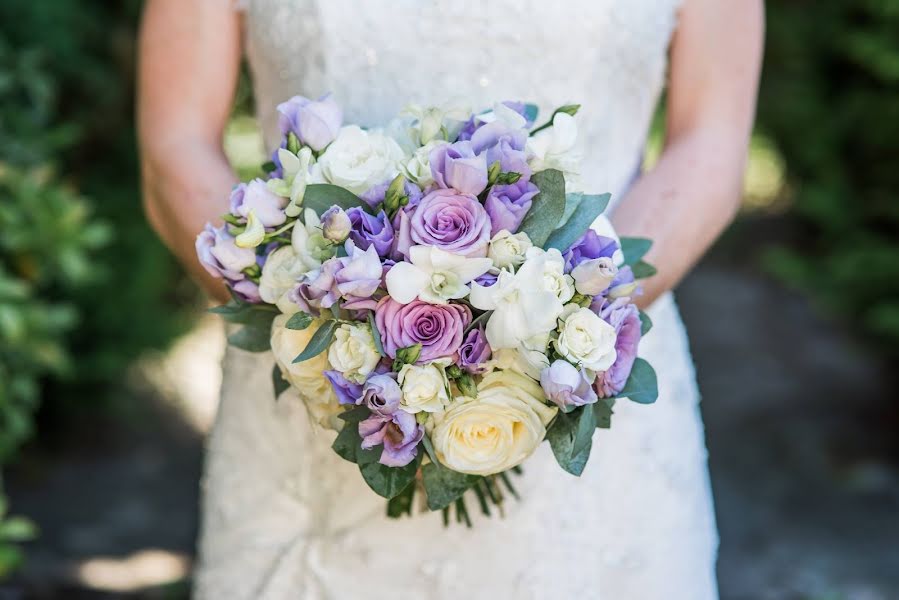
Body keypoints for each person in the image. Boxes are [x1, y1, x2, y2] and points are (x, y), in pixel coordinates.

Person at [138, 1, 763, 598]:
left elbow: (709, 142)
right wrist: (339, 331)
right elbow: (176, 145)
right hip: (316, 381)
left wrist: (558, 332)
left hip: (587, 375)